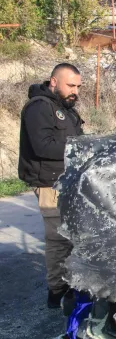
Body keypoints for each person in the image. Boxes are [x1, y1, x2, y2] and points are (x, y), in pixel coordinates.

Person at [18, 63, 84, 308]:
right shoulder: (39, 107)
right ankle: (57, 292)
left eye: (78, 86)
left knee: (72, 237)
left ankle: (71, 285)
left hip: (67, 182)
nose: (75, 91)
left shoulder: (64, 108)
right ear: (54, 82)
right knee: (58, 240)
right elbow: (43, 146)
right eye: (71, 85)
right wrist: (81, 148)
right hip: (50, 184)